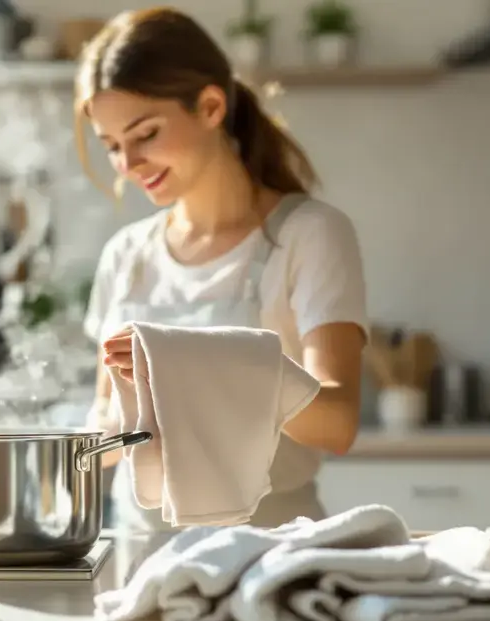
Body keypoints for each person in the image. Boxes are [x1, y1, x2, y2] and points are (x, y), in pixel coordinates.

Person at [78, 7, 368, 531]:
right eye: (113, 147)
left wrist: (195, 367)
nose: (127, 165)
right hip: (138, 555)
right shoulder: (127, 254)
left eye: (145, 134)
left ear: (210, 106)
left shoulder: (309, 234)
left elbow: (339, 422)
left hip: (270, 556)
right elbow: (106, 424)